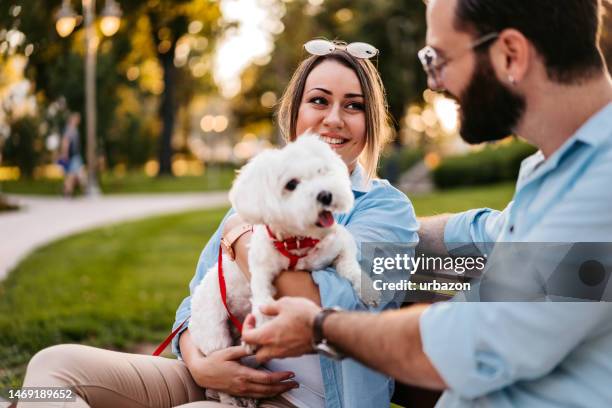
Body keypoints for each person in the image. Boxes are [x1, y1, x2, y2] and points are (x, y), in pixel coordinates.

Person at [241, 0, 612, 407]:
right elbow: (486, 231)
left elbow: (470, 343)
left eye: (437, 58)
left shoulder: (602, 184)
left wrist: (320, 326)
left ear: (510, 54)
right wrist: (388, 230)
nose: (435, 84)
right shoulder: (560, 168)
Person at [19, 40, 419, 408]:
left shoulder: (389, 211)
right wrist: (200, 364)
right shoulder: (266, 192)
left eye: (353, 106)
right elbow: (196, 301)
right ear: (294, 112)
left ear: (371, 122)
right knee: (52, 369)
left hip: (302, 400)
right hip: (212, 373)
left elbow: (341, 306)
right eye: (319, 101)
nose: (334, 118)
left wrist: (240, 238)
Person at [59, 112, 87, 197]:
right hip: (73, 156)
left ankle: (67, 192)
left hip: (75, 155)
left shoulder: (74, 129)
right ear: (72, 119)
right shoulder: (70, 129)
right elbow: (65, 142)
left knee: (71, 175)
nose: (78, 120)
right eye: (76, 119)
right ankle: (83, 191)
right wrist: (65, 154)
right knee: (78, 174)